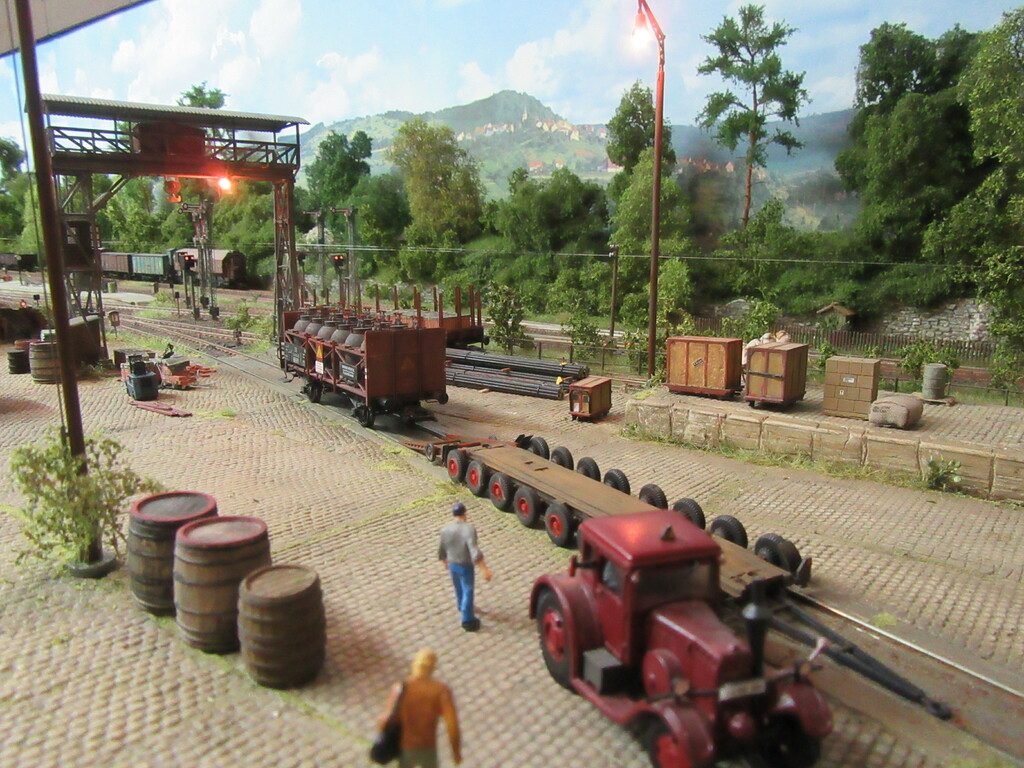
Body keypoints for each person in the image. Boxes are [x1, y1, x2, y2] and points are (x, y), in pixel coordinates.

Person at [377, 649, 461, 767]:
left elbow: (383, 720)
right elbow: (452, 725)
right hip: (427, 748)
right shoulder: (440, 691)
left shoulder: (400, 688)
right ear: (432, 668)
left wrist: (385, 739)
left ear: (413, 665)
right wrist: (456, 752)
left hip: (405, 747)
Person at [438, 502, 492, 631]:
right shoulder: (468, 529)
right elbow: (474, 551)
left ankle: (461, 605)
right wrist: (484, 568)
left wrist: (444, 560)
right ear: (464, 514)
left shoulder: (445, 529)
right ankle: (467, 619)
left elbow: (441, 547)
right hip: (465, 565)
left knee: (458, 587)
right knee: (468, 590)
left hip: (452, 564)